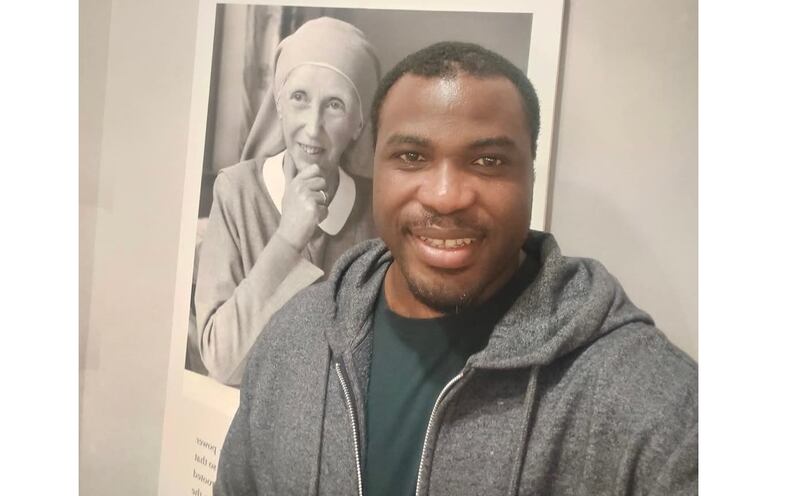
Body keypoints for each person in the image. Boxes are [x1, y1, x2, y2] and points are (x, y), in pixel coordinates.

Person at [214, 42, 698, 495]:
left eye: (488, 161)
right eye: (411, 157)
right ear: (376, 167)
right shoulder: (293, 339)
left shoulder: (648, 402)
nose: (446, 197)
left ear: (530, 173)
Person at [194, 17, 380, 386]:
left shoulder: (377, 213)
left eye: (335, 106)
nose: (313, 128)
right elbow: (222, 360)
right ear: (279, 103)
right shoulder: (236, 192)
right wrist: (287, 242)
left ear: (359, 124)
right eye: (299, 98)